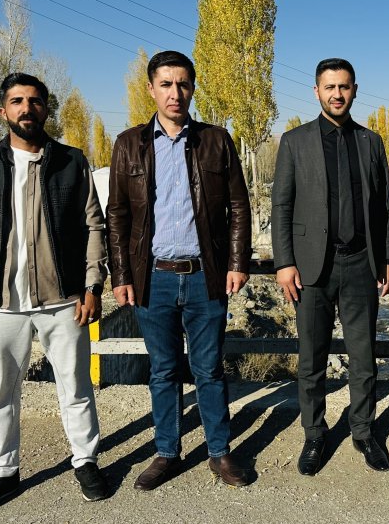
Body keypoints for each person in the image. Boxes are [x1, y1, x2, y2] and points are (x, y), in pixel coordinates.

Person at [0, 73, 108, 514]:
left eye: (35, 101)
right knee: (1, 392)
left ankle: (86, 461)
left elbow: (93, 227)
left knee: (76, 386)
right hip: (1, 303)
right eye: (17, 101)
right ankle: (2, 472)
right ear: (3, 110)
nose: (26, 108)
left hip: (64, 300)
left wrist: (92, 285)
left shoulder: (71, 161)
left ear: (46, 108)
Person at [107, 50, 252, 490]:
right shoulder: (128, 144)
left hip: (206, 276)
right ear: (151, 89)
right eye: (166, 84)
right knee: (163, 371)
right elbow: (117, 214)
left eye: (183, 84)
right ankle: (167, 452)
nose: (175, 93)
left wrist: (236, 263)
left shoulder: (216, 140)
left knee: (209, 370)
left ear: (192, 88)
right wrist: (121, 275)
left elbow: (238, 206)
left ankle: (219, 452)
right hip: (153, 278)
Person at [271, 57, 389, 475]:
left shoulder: (371, 141)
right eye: (330, 87)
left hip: (361, 264)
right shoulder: (295, 142)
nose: (337, 94)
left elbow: (384, 206)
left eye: (344, 87)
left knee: (364, 357)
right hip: (312, 269)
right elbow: (282, 205)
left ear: (354, 90)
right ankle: (314, 434)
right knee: (312, 359)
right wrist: (285, 263)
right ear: (317, 91)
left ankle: (363, 431)